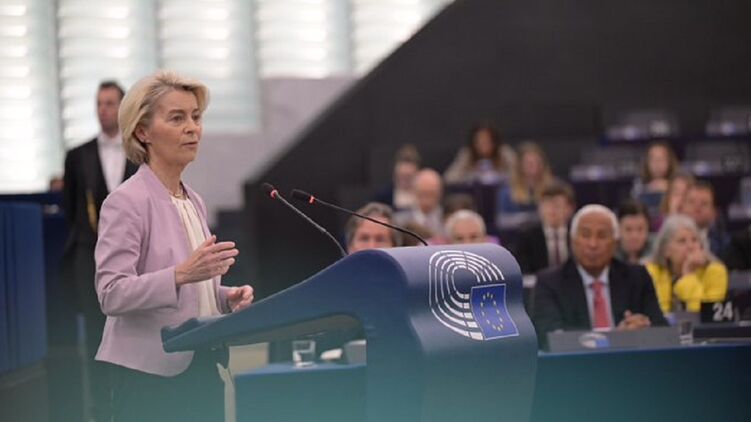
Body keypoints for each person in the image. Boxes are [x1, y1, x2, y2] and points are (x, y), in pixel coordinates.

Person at [94, 70, 254, 421]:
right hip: (150, 376)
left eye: (196, 117)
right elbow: (111, 293)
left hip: (201, 364)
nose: (192, 128)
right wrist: (180, 274)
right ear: (143, 132)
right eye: (177, 118)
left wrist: (224, 297)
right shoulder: (125, 201)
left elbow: (188, 286)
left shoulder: (193, 199)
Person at [61, 80, 138, 421]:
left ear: (122, 108)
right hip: (88, 257)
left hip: (134, 256)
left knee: (132, 329)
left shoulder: (139, 151)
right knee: (95, 334)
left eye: (109, 103)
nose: (103, 109)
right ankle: (100, 410)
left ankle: (132, 403)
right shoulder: (77, 156)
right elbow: (71, 208)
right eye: (99, 103)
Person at [532, 205, 667, 349]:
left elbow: (662, 331)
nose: (593, 244)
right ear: (572, 240)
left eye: (602, 236)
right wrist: (617, 338)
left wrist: (643, 328)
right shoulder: (549, 283)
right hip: (574, 362)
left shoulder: (638, 277)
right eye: (585, 235)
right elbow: (549, 338)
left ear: (615, 243)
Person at [645, 215, 728, 315]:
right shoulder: (652, 272)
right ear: (666, 250)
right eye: (682, 241)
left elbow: (705, 316)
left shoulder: (715, 271)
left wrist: (689, 275)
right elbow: (657, 315)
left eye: (694, 240)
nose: (690, 246)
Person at [513, 181, 576, 275]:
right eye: (547, 205)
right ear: (539, 208)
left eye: (557, 205)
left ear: (570, 208)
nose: (551, 210)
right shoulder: (526, 237)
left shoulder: (577, 234)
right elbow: (522, 271)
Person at [444, 121, 516, 185]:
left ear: (495, 142)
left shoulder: (504, 152)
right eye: (479, 141)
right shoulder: (467, 154)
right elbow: (449, 178)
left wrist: (499, 176)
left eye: (487, 140)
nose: (483, 144)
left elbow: (518, 175)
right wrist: (472, 177)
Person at [497, 141, 555, 214]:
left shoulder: (554, 188)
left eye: (538, 162)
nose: (535, 166)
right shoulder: (507, 192)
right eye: (530, 163)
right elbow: (502, 218)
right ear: (520, 166)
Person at [680, 181, 730, 257]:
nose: (697, 208)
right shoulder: (669, 240)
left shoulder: (725, 244)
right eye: (691, 202)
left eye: (704, 203)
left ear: (714, 212)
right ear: (682, 207)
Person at [394, 168, 445, 237]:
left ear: (440, 193)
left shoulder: (447, 221)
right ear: (414, 192)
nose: (427, 199)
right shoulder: (399, 222)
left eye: (432, 193)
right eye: (423, 193)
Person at [373, 144, 421, 211]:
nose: (405, 181)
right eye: (402, 176)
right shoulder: (383, 195)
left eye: (408, 177)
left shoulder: (424, 195)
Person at [616, 199, 652, 264]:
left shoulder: (657, 255)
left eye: (640, 229)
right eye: (628, 229)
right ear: (618, 230)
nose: (634, 236)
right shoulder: (609, 257)